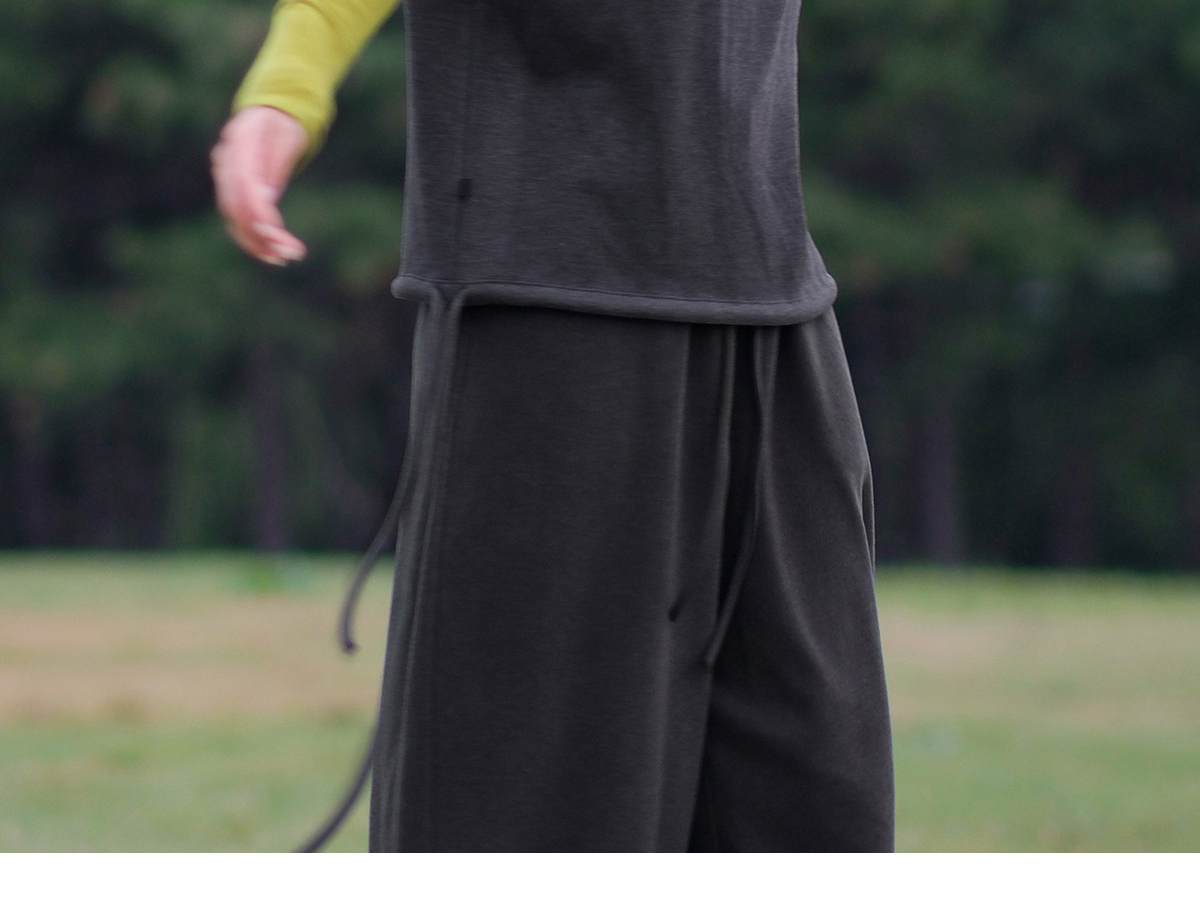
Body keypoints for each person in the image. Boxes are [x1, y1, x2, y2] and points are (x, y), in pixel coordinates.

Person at [212, 0, 894, 852]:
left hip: (772, 302)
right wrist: (289, 86)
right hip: (549, 314)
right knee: (529, 826)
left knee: (821, 810)